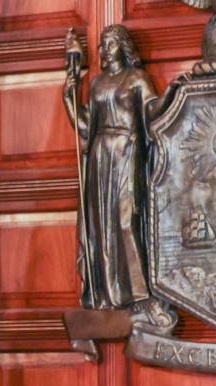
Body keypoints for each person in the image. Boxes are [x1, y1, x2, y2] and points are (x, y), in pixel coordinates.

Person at [62, 24, 158, 310]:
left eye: (110, 43)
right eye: (102, 44)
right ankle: (107, 295)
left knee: (126, 220)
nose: (104, 49)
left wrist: (175, 100)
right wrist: (69, 96)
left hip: (128, 152)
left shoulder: (137, 78)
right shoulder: (95, 84)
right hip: (100, 156)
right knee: (100, 225)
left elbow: (153, 113)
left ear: (123, 46)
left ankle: (140, 295)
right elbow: (85, 127)